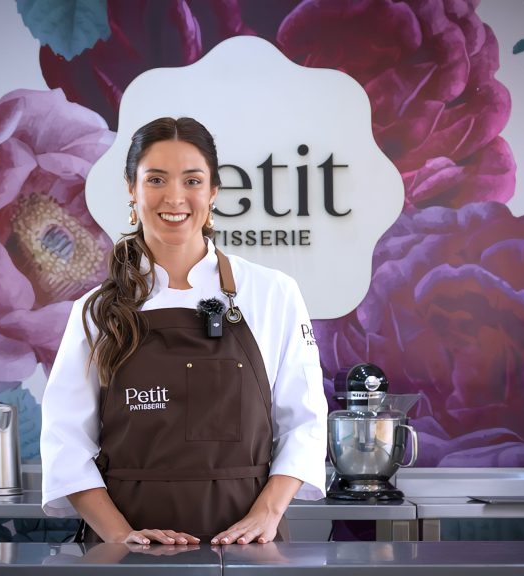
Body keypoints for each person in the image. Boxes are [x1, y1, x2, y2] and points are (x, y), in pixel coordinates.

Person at [40, 117, 327, 546]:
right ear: (131, 189)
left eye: (192, 181)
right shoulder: (96, 310)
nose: (174, 197)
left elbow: (304, 422)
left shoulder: (273, 294)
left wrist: (267, 514)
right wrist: (122, 537)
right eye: (156, 179)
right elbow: (66, 442)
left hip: (246, 548)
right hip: (130, 552)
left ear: (213, 192)